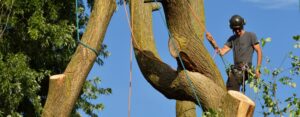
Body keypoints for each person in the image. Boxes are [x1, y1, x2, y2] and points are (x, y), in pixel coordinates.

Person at [206, 15, 262, 92]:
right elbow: (222, 52)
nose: (237, 31)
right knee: (230, 88)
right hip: (236, 69)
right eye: (235, 29)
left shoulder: (251, 36)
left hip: (245, 69)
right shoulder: (232, 39)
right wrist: (212, 42)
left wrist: (258, 69)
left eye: (239, 28)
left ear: (242, 26)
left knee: (231, 90)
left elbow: (259, 51)